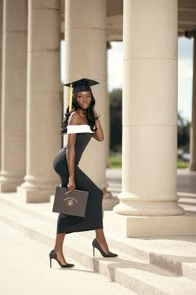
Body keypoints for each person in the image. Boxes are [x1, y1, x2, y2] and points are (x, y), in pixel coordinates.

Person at [50, 78, 118, 268]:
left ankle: (58, 250)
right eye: (80, 96)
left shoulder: (87, 116)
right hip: (64, 162)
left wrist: (95, 115)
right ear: (75, 98)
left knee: (70, 204)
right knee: (92, 195)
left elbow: (100, 137)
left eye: (88, 96)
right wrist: (71, 177)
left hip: (69, 162)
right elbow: (70, 148)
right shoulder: (74, 117)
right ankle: (100, 241)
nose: (85, 99)